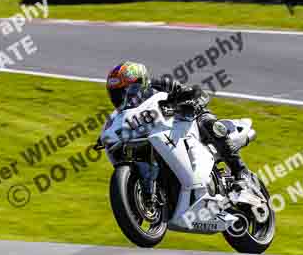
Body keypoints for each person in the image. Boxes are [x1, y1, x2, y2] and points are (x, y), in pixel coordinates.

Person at [105, 61, 252, 191]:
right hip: (159, 133)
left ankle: (240, 171)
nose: (124, 97)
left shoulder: (162, 85)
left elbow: (198, 93)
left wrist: (189, 101)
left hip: (186, 120)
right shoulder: (121, 114)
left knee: (209, 124)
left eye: (128, 91)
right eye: (117, 94)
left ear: (142, 83)